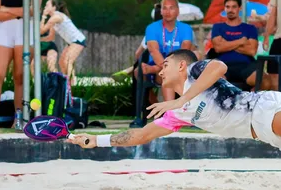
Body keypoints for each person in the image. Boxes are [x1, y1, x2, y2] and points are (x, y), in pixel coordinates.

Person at [68, 49, 281, 150]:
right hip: (262, 130)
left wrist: (182, 99)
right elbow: (142, 135)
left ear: (181, 66)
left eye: (165, 65)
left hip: (261, 110)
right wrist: (97, 140)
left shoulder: (194, 70)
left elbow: (220, 67)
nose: (160, 72)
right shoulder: (178, 114)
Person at [0, 0, 42, 113]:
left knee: (19, 76)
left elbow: (33, 11)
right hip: (4, 31)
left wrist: (6, 9)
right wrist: (22, 10)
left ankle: (19, 118)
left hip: (25, 31)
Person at [211, 0, 270, 90]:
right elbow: (218, 48)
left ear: (240, 8)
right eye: (227, 7)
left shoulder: (250, 28)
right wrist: (241, 41)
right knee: (212, 79)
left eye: (234, 7)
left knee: (264, 80)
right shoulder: (218, 27)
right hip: (223, 65)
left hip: (246, 65)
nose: (230, 10)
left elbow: (251, 51)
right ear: (224, 8)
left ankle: (253, 101)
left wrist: (226, 43)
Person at [141, 0, 194, 101]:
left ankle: (171, 113)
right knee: (165, 74)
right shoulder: (151, 28)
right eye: (164, 8)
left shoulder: (186, 28)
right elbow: (154, 51)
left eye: (171, 8)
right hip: (159, 63)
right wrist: (166, 68)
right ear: (160, 11)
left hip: (178, 65)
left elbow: (185, 50)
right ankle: (167, 112)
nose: (167, 12)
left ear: (178, 11)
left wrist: (163, 68)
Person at [40, 0, 86, 82]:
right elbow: (50, 37)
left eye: (47, 5)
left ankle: (72, 86)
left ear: (54, 7)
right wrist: (38, 40)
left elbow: (42, 31)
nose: (45, 7)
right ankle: (67, 83)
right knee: (61, 62)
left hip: (78, 40)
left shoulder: (56, 17)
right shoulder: (53, 19)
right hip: (71, 42)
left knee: (68, 61)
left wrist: (43, 16)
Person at [263, 0, 281, 91]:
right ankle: (278, 104)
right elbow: (273, 14)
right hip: (279, 37)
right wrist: (266, 36)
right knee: (273, 73)